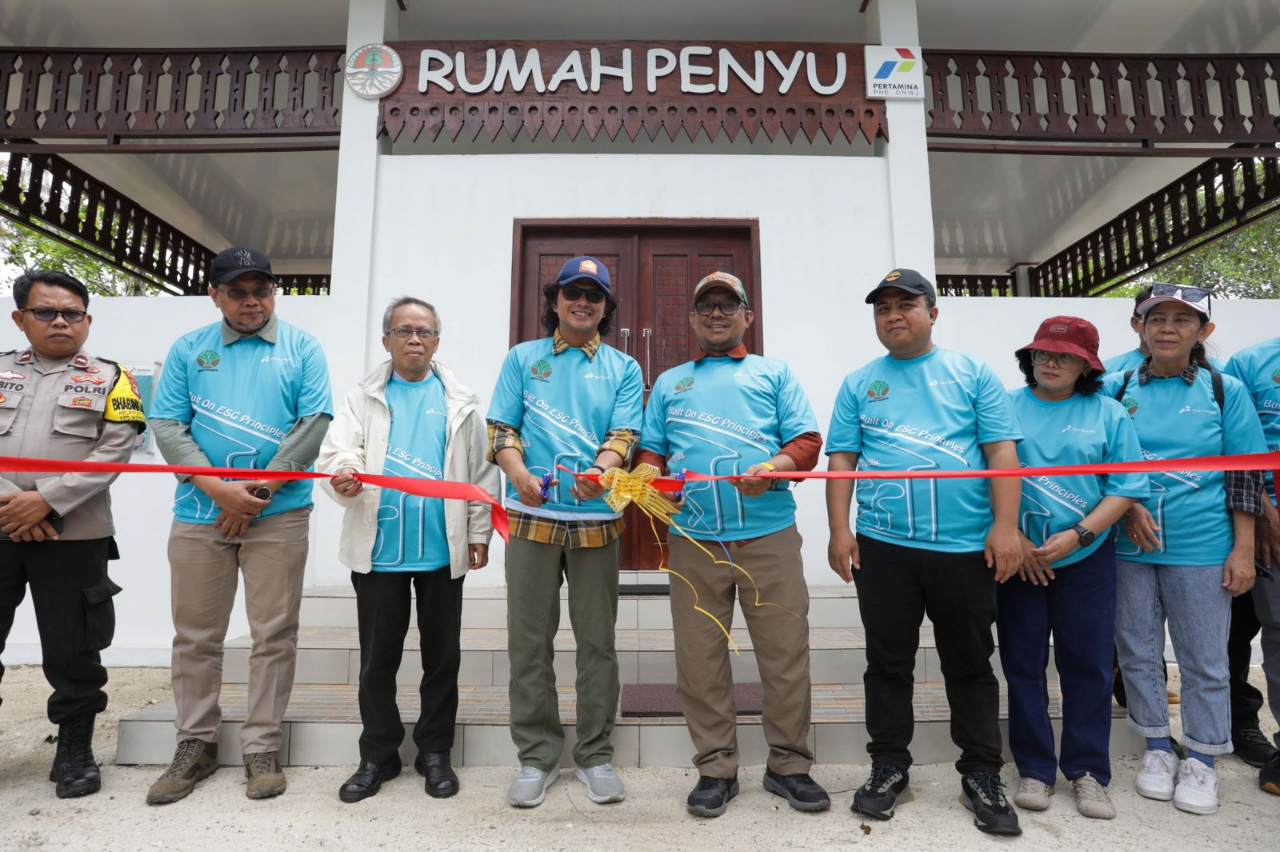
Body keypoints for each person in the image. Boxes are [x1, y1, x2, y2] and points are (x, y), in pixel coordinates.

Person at [825, 269, 1025, 836]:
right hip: (885, 549)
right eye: (883, 307)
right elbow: (842, 460)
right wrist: (840, 531)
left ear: (932, 313)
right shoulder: (860, 383)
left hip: (963, 548)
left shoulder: (971, 373)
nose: (893, 315)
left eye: (906, 304)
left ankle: (982, 773)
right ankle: (889, 767)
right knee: (888, 662)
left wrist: (1005, 527)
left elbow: (1000, 453)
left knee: (970, 662)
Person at [634, 271, 828, 818]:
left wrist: (778, 466)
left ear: (748, 316)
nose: (717, 314)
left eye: (728, 305)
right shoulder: (671, 382)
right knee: (699, 660)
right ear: (693, 320)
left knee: (784, 655)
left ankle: (789, 765)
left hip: (768, 535)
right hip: (694, 539)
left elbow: (808, 443)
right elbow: (652, 449)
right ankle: (716, 769)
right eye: (706, 307)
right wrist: (648, 478)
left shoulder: (774, 373)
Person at [146, 247, 333, 804]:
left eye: (262, 290)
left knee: (273, 634)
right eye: (238, 291)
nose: (252, 301)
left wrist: (253, 495)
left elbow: (313, 424)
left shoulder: (302, 348)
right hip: (200, 514)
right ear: (215, 295)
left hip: (278, 515)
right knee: (196, 636)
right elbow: (168, 424)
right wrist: (219, 490)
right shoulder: (188, 350)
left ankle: (261, 746)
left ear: (274, 292)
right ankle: (196, 743)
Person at [318, 297, 498, 803]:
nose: (414, 340)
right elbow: (339, 450)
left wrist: (479, 533)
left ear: (437, 340)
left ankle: (435, 751)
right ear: (386, 341)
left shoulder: (460, 402)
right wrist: (344, 475)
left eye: (423, 331)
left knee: (443, 658)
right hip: (380, 551)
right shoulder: (362, 397)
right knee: (378, 660)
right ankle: (378, 754)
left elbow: (481, 472)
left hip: (442, 550)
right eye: (403, 331)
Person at [1105, 283, 1268, 815]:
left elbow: (1245, 475)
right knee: (1139, 652)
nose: (1168, 328)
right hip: (1129, 548)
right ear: (1139, 327)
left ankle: (1202, 757)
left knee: (1205, 659)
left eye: (1182, 319)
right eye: (1157, 318)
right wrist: (1126, 506)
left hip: (1203, 546)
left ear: (1204, 331)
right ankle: (1157, 746)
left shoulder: (1225, 390)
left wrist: (1243, 550)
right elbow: (1097, 461)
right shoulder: (1115, 382)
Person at [487, 256, 643, 808]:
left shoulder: (624, 367)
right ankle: (536, 757)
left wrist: (603, 472)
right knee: (529, 642)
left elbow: (624, 431)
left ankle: (596, 755)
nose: (583, 303)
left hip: (596, 521)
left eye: (594, 296)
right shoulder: (523, 360)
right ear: (554, 301)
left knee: (597, 643)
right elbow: (502, 427)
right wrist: (520, 475)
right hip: (532, 518)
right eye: (573, 293)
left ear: (605, 306)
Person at [0, 270, 145, 798]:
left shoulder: (113, 377)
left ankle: (75, 748)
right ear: (21, 318)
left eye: (72, 313)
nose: (60, 321)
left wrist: (46, 501)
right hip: (0, 526)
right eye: (46, 312)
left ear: (87, 321)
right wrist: (14, 503)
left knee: (74, 648)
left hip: (75, 534)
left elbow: (114, 451)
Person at [999, 316, 1148, 820]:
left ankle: (1087, 772)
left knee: (1086, 665)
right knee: (1022, 666)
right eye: (1042, 353)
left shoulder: (1107, 412)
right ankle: (1035, 770)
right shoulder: (1003, 408)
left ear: (1086, 364)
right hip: (1018, 562)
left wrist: (1080, 534)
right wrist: (1013, 539)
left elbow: (1126, 487)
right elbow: (981, 480)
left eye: (1064, 355)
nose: (1051, 362)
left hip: (1086, 558)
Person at [1223, 333, 1280, 793]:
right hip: (1269, 523)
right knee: (1252, 632)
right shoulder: (1250, 363)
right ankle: (1244, 725)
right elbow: (1241, 451)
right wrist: (1262, 513)